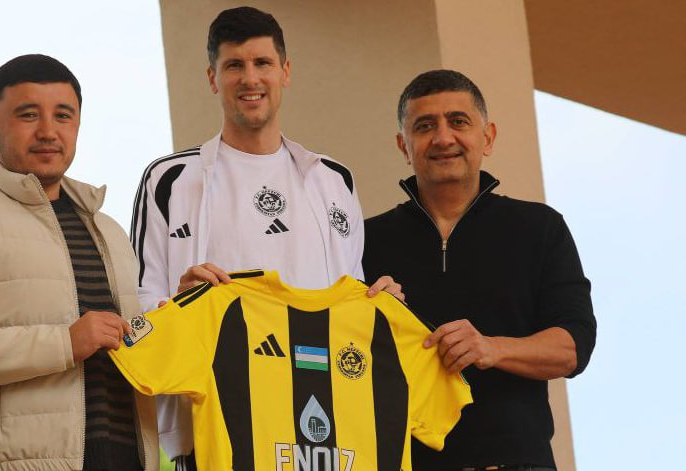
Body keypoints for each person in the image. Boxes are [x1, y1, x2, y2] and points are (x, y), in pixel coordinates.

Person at [131, 6, 401, 470]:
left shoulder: (333, 180)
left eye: (262, 63)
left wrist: (382, 307)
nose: (250, 78)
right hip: (217, 434)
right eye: (234, 65)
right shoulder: (169, 179)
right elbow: (135, 306)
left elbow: (350, 294)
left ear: (285, 71)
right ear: (213, 78)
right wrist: (178, 303)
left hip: (331, 436)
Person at [0, 54, 158, 471]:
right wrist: (65, 343)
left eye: (63, 116)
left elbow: (133, 345)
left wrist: (183, 310)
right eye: (28, 115)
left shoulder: (110, 230)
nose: (48, 131)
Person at [363, 69, 597, 471]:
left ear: (487, 138)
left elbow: (574, 346)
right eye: (425, 126)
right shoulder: (365, 240)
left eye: (458, 121)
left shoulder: (539, 227)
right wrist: (367, 319)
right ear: (404, 146)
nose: (443, 138)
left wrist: (491, 348)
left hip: (515, 462)